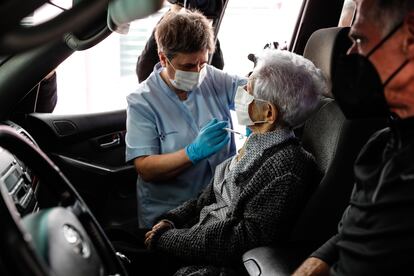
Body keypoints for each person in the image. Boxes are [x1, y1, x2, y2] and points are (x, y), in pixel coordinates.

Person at [143, 49, 327, 275]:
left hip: (214, 264)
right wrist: (172, 220)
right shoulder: (256, 142)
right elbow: (207, 197)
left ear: (268, 114)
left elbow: (238, 239)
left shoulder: (286, 169)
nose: (240, 93)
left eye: (248, 91)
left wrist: (169, 239)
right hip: (192, 239)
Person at [293, 0, 414, 275]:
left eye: (360, 39)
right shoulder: (383, 144)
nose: (350, 53)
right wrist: (315, 261)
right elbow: (352, 231)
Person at [125, 9, 246, 228]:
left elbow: (255, 92)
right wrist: (192, 153)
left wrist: (253, 112)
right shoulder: (142, 101)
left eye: (202, 62)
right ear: (163, 59)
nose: (199, 71)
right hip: (169, 215)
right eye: (189, 66)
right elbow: (146, 168)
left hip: (219, 205)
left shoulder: (214, 78)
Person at [136, 0, 225, 83]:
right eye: (189, 66)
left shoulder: (147, 74)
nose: (197, 70)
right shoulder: (213, 73)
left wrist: (176, 11)